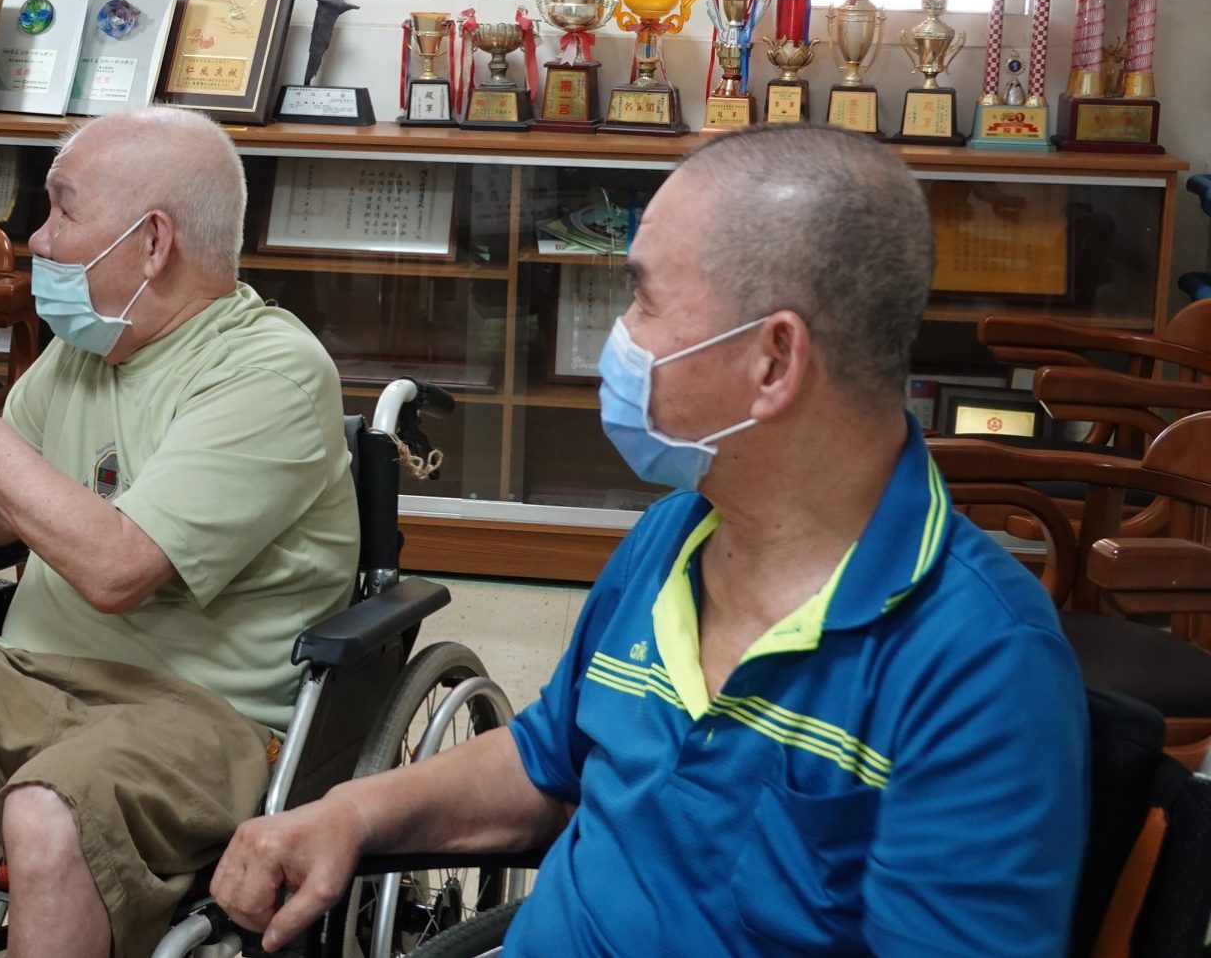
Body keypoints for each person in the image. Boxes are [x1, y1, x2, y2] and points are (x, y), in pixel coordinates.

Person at [213, 125, 1089, 955]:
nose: (615, 339)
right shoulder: (676, 536)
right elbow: (546, 759)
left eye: (642, 299)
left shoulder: (979, 664)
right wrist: (351, 813)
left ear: (774, 360)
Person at [0, 107, 360, 958]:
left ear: (153, 240)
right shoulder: (83, 351)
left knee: (50, 807)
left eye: (62, 210)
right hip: (31, 671)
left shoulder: (269, 369)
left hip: (205, 711)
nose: (38, 241)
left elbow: (117, 568)